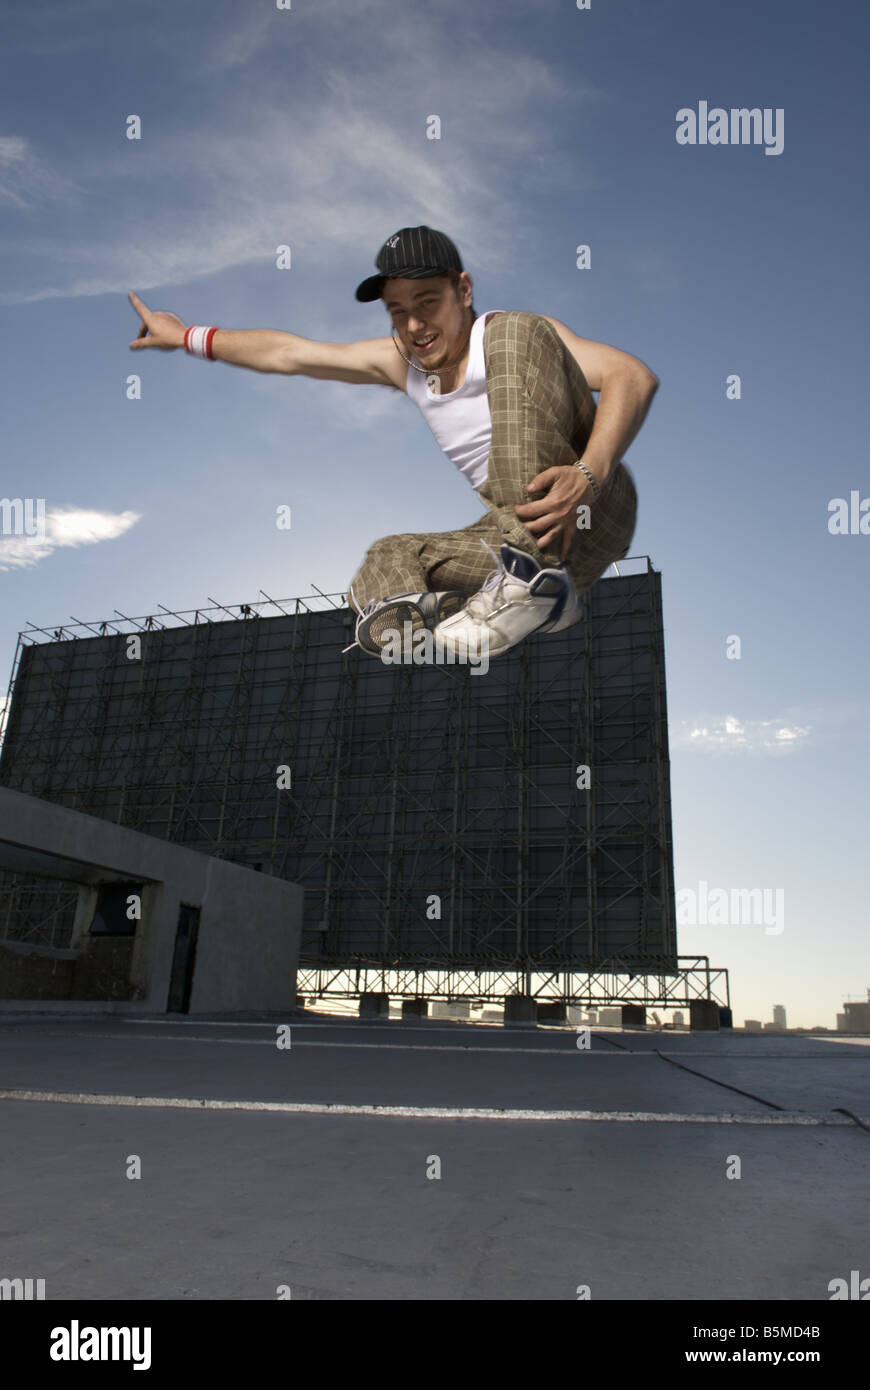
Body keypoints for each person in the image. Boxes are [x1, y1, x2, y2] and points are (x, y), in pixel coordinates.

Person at [128, 225, 658, 661]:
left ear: (464, 292)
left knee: (517, 331)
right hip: (529, 542)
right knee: (389, 557)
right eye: (398, 311)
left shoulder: (506, 333)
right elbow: (290, 354)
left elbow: (631, 376)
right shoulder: (398, 362)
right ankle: (517, 602)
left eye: (428, 303)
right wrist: (188, 337)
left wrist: (588, 475)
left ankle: (530, 579)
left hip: (594, 504)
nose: (414, 325)